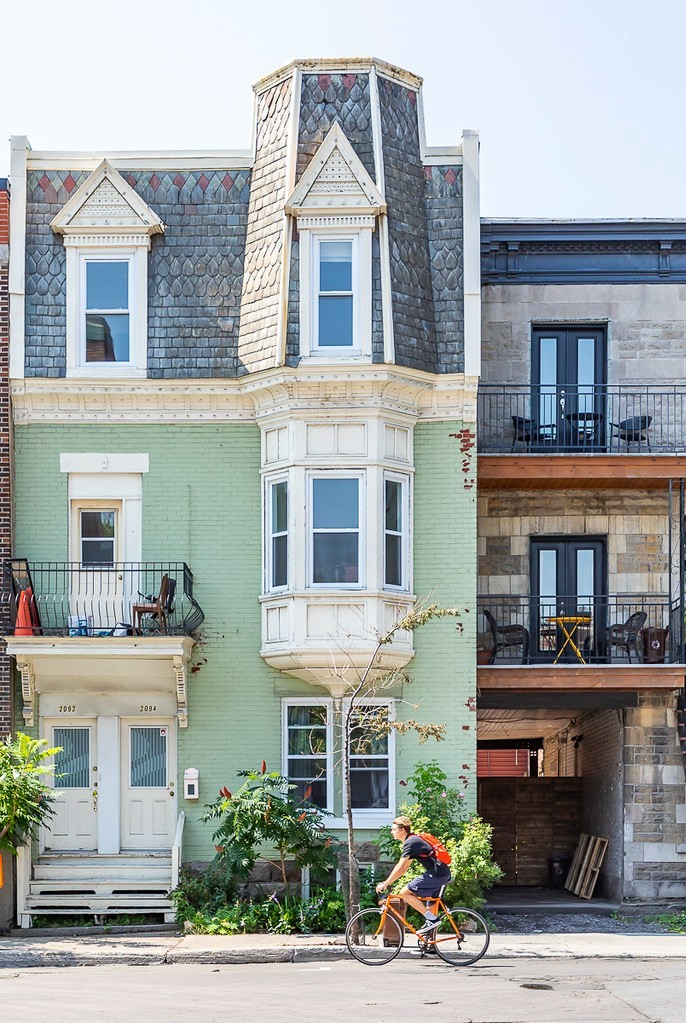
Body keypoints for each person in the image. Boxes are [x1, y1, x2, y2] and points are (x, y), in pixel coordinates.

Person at [375, 816, 451, 935]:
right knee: (430, 909)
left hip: (437, 874)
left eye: (394, 829)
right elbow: (404, 868)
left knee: (404, 893)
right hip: (440, 874)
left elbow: (400, 866)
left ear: (402, 830)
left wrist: (386, 884)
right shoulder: (413, 841)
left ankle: (432, 920)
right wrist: (389, 882)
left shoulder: (411, 842)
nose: (391, 832)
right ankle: (429, 943)